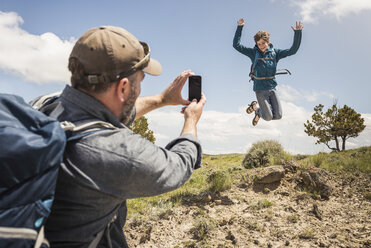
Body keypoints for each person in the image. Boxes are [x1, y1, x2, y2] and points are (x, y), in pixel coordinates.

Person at [38, 26, 206, 247]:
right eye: (141, 78)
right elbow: (179, 165)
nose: (141, 85)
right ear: (124, 87)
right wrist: (191, 121)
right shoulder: (117, 151)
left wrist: (162, 99)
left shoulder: (45, 106)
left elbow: (110, 111)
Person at [233, 18, 303, 126]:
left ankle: (257, 110)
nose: (261, 46)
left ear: (268, 42)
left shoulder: (275, 53)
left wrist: (298, 33)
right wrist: (240, 27)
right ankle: (256, 109)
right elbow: (236, 46)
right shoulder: (253, 53)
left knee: (278, 115)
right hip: (260, 90)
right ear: (256, 44)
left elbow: (292, 50)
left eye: (263, 43)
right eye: (259, 44)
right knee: (268, 117)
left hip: (272, 88)